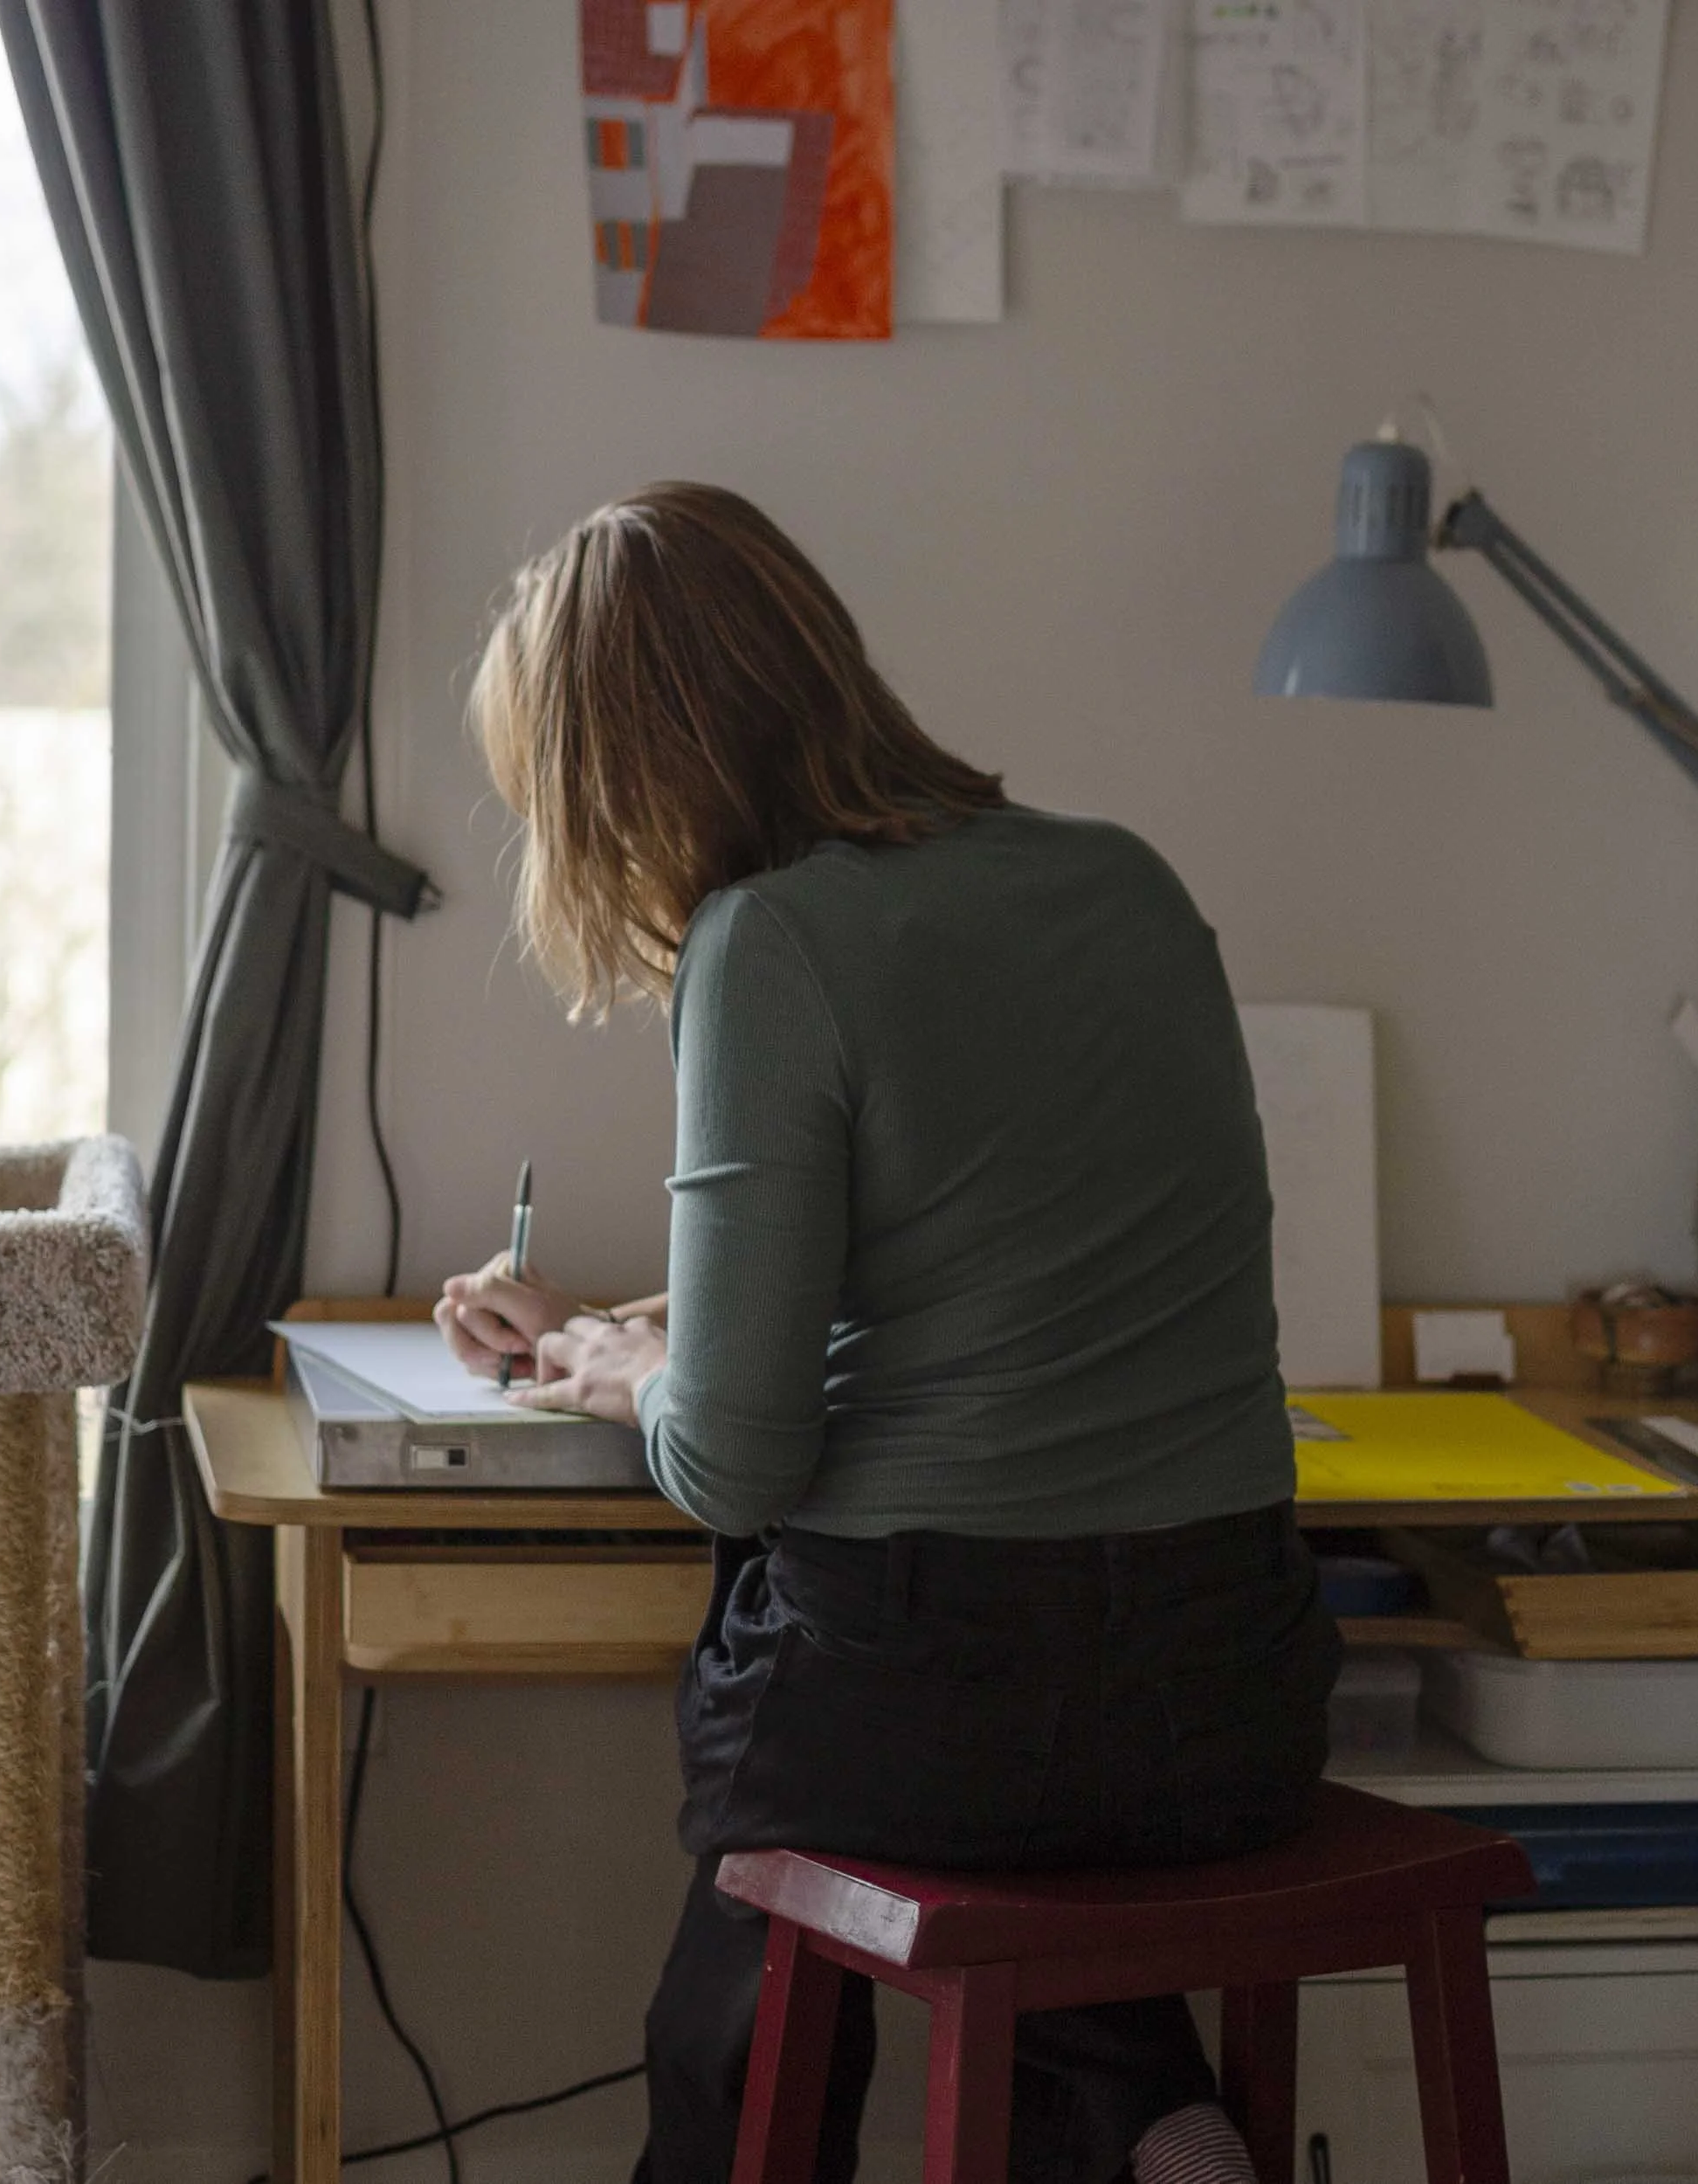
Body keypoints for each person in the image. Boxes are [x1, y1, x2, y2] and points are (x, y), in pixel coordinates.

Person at [436, 482, 1341, 2184]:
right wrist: (673, 1316)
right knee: (1020, 1844)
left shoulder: (769, 936)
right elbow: (1007, 1255)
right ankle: (1148, 2110)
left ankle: (746, 2143)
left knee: (763, 1882)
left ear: (618, 781)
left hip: (939, 1710)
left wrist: (632, 1371)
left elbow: (732, 1461)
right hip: (1233, 1698)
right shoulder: (1124, 878)